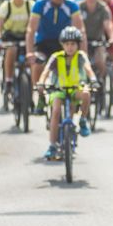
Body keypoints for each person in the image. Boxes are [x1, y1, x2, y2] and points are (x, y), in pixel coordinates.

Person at [26, 0, 87, 114]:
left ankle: (73, 98)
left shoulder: (71, 5)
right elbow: (31, 30)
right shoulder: (40, 4)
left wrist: (83, 53)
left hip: (65, 43)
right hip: (44, 43)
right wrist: (30, 52)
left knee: (74, 67)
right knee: (37, 64)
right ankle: (40, 97)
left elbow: (80, 30)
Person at [37, 26, 98, 160]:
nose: (70, 47)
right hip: (59, 90)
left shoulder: (81, 56)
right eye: (67, 44)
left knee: (86, 93)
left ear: (78, 45)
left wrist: (93, 80)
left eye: (73, 44)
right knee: (56, 111)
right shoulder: (56, 57)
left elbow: (89, 70)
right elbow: (46, 72)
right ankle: (52, 145)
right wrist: (41, 83)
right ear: (62, 45)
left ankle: (83, 120)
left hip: (75, 89)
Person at [0, 0, 34, 96]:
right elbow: (0, 25)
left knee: (31, 57)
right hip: (10, 35)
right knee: (12, 50)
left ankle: (32, 87)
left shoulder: (30, 4)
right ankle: (8, 81)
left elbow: (36, 23)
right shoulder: (6, 6)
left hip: (26, 35)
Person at [79, 0, 113, 80]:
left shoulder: (103, 7)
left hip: (98, 41)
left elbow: (108, 25)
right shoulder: (79, 6)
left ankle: (100, 82)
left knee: (100, 61)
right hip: (81, 41)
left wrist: (112, 37)